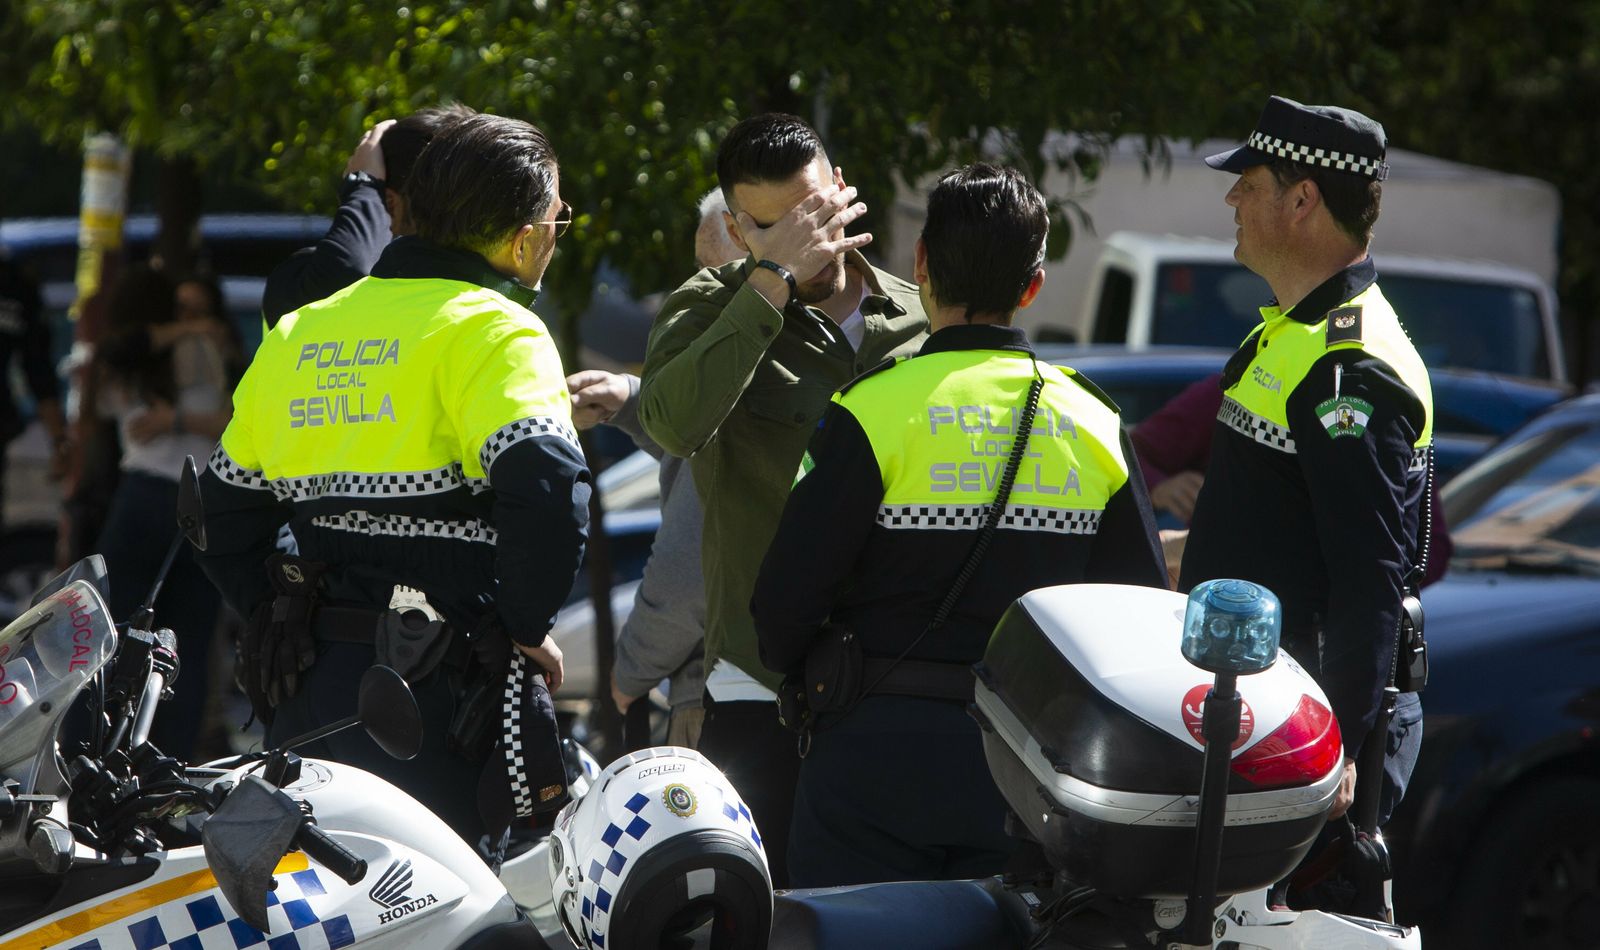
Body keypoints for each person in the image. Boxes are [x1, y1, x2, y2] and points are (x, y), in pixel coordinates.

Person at [750, 163, 1167, 887]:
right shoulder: (1093, 423)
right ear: (1031, 287)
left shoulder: (866, 412)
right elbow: (1141, 622)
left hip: (868, 765)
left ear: (921, 264)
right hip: (1027, 774)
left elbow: (779, 615)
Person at [196, 113, 586, 861]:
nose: (555, 235)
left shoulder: (302, 331)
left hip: (308, 697)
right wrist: (524, 626)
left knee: (317, 912)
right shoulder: (496, 328)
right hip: (443, 707)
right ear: (524, 238)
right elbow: (549, 490)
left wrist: (288, 617)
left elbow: (217, 516)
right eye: (556, 218)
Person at [638, 113, 927, 885]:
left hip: (895, 677)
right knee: (770, 908)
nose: (808, 237)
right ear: (736, 227)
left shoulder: (918, 318)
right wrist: (772, 282)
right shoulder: (710, 307)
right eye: (775, 226)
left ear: (843, 191)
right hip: (761, 685)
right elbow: (672, 422)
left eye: (814, 211)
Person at [1179, 96, 1432, 843]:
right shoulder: (1290, 335)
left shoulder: (1347, 365)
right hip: (1261, 706)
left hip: (1303, 726)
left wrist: (1342, 748)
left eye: (1248, 183)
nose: (1231, 197)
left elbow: (1368, 576)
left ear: (1301, 200)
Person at [573, 188, 746, 749]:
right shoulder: (810, 359)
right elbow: (691, 438)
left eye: (708, 271)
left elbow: (684, 582)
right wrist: (629, 400)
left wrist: (626, 678)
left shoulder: (738, 370)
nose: (695, 290)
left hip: (721, 703)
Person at [91, 267, 239, 760]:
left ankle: (98, 747)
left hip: (145, 498)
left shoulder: (134, 359)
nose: (189, 319)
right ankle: (169, 759)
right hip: (195, 501)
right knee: (187, 642)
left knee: (114, 632)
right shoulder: (189, 348)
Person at [261, 104, 476, 326]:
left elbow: (346, 272)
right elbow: (346, 274)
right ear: (390, 204)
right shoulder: (480, 291)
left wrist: (364, 184)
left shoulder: (305, 279)